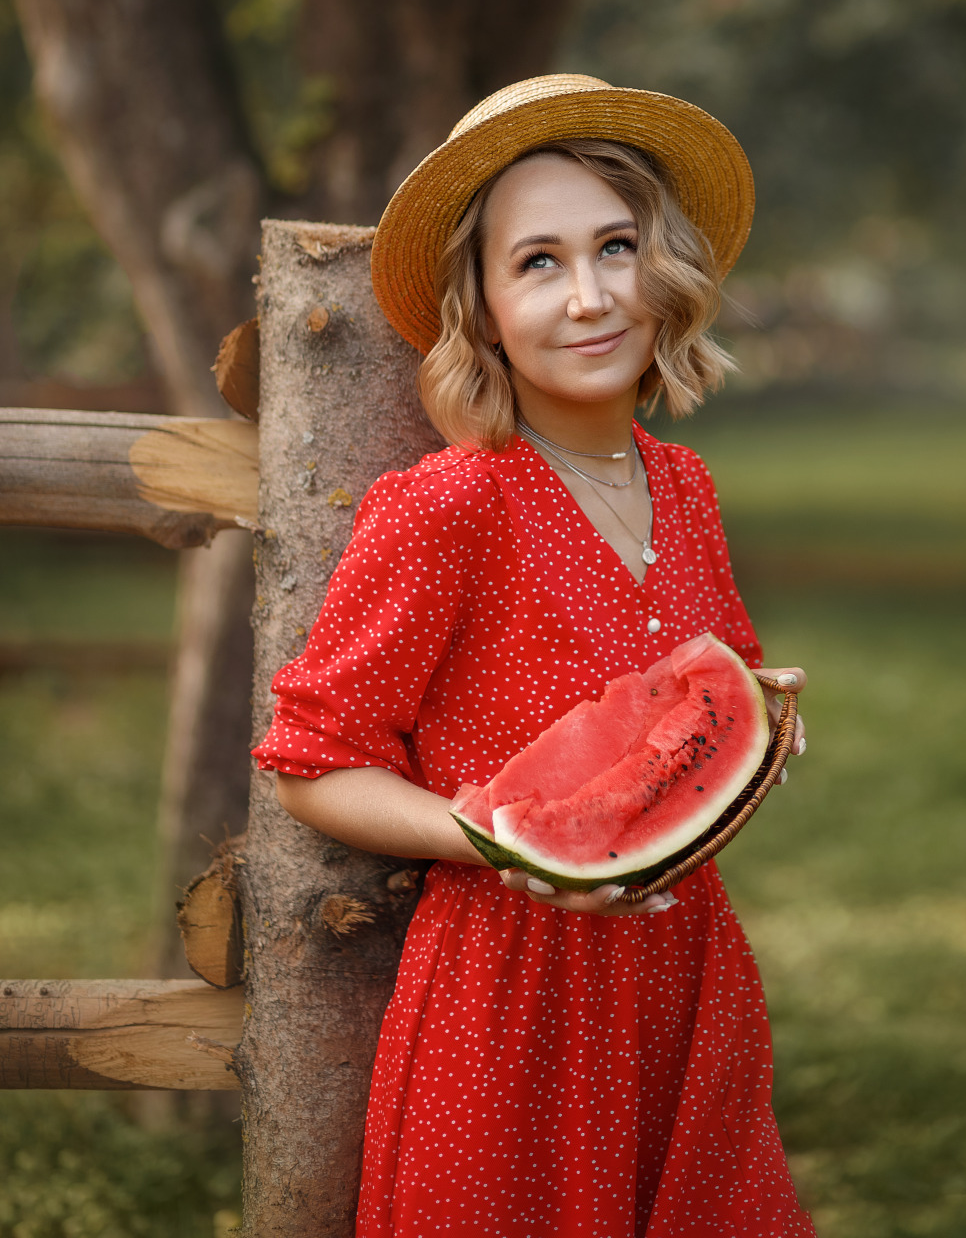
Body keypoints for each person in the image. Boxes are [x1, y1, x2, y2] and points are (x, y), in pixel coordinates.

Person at [254, 73, 816, 1238]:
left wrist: (761, 724)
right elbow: (312, 760)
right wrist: (486, 832)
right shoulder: (446, 507)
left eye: (615, 247)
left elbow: (703, 702)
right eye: (539, 263)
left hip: (686, 984)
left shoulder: (685, 486)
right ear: (484, 308)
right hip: (510, 1000)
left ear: (663, 272)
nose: (590, 296)